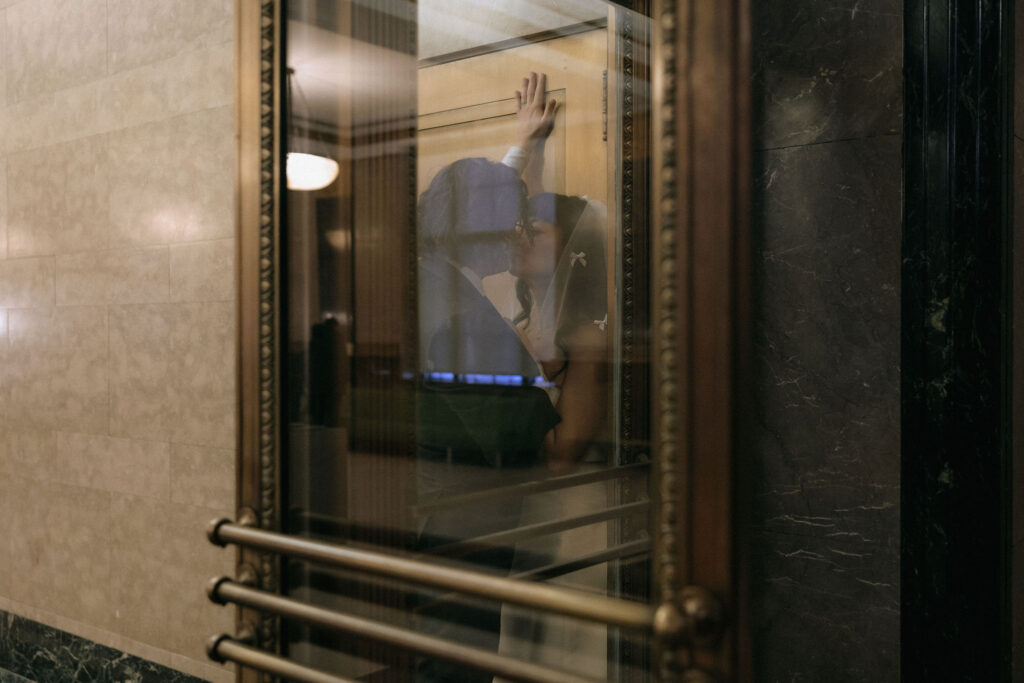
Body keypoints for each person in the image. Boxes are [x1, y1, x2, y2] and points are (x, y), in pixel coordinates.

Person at [414, 156, 560, 681]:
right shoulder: (457, 306)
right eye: (510, 217)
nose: (516, 233)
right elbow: (511, 426)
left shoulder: (428, 280)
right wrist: (546, 377)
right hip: (461, 519)